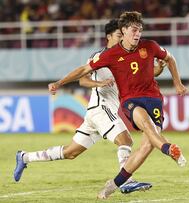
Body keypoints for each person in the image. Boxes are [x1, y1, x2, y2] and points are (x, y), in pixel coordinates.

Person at [13, 19, 166, 194]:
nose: (123, 38)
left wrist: (159, 69)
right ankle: (126, 181)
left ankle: (24, 157)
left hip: (97, 113)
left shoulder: (124, 56)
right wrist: (97, 83)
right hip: (101, 108)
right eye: (119, 35)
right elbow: (83, 79)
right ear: (109, 36)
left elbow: (146, 74)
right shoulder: (100, 56)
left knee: (71, 152)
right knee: (126, 140)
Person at [46, 11, 187, 199]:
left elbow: (170, 58)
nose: (138, 34)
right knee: (147, 125)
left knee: (146, 146)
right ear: (124, 30)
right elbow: (84, 70)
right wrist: (59, 83)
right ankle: (169, 149)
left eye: (140, 30)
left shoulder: (150, 46)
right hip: (131, 101)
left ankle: (113, 185)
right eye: (134, 30)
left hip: (154, 98)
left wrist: (177, 82)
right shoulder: (111, 55)